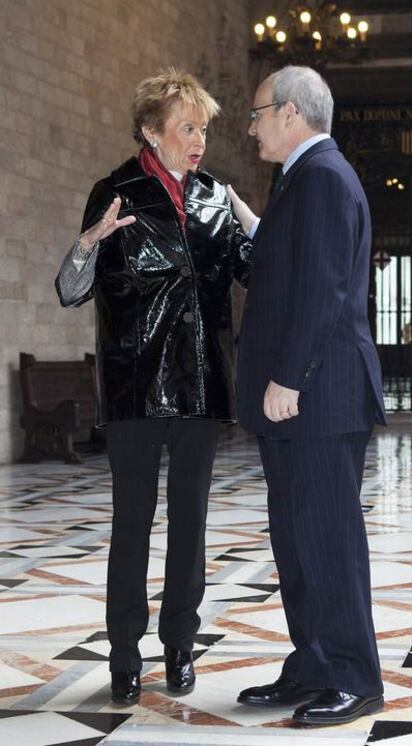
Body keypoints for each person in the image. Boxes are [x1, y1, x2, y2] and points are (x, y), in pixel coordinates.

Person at [56, 68, 251, 706]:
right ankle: (123, 654)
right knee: (132, 523)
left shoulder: (217, 196)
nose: (199, 140)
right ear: (151, 131)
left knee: (191, 524)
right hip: (136, 384)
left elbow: (263, 270)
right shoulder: (114, 192)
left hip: (199, 385)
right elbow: (69, 289)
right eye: (187, 128)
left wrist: (250, 214)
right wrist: (90, 242)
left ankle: (179, 644)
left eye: (203, 129)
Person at [229, 65, 386, 726]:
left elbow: (322, 292)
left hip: (317, 396)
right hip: (306, 398)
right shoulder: (303, 178)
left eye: (260, 111)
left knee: (328, 540)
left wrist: (289, 378)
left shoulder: (321, 176)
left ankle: (355, 675)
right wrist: (254, 224)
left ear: (291, 112)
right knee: (296, 541)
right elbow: (297, 265)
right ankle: (313, 662)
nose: (254, 124)